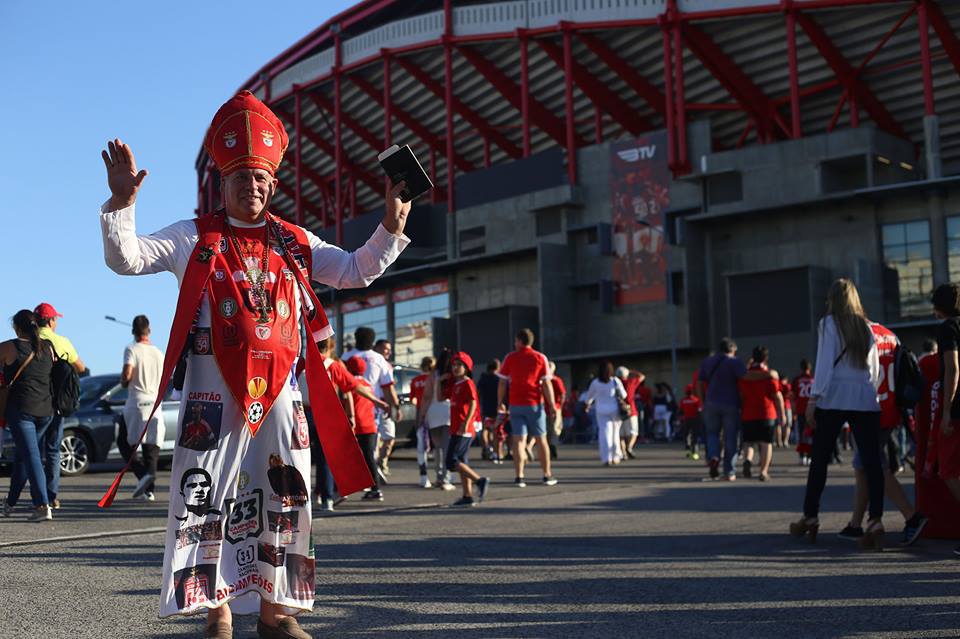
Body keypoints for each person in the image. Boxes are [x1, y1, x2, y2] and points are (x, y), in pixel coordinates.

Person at [98, 91, 411, 638]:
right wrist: (123, 204)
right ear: (223, 183)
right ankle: (216, 610)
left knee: (284, 496)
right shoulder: (194, 235)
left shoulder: (294, 241)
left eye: (261, 178)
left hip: (281, 396)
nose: (253, 186)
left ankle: (275, 611)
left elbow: (357, 269)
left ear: (273, 183)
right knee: (206, 497)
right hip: (210, 395)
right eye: (241, 176)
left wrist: (390, 224)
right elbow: (126, 259)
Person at [791, 278, 885, 551]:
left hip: (834, 396)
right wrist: (871, 392)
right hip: (865, 396)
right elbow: (875, 369)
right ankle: (876, 520)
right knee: (872, 462)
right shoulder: (867, 327)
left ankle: (811, 515)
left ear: (832, 298)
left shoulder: (828, 324)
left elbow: (824, 365)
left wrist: (813, 398)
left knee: (819, 459)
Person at [838, 321, 929, 546]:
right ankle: (856, 524)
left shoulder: (858, 335)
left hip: (869, 408)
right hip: (890, 407)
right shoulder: (889, 334)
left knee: (875, 467)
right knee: (863, 466)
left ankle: (912, 517)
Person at [0, 310, 56, 522]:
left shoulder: (9, 347)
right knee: (24, 456)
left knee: (31, 457)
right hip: (46, 411)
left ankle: (42, 505)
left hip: (22, 411)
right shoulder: (47, 346)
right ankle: (11, 503)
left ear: (16, 327)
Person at [33, 302, 86, 510]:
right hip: (57, 404)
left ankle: (38, 498)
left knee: (33, 451)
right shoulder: (61, 341)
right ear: (52, 321)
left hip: (35, 402)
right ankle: (52, 496)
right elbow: (80, 367)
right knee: (53, 450)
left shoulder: (31, 340)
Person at [497, 329, 559, 487]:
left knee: (518, 441)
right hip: (534, 404)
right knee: (541, 440)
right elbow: (546, 383)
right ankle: (546, 475)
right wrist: (552, 405)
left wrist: (500, 402)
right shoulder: (540, 357)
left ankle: (519, 476)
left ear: (519, 340)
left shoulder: (510, 358)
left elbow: (503, 382)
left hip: (515, 404)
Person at [341, 328, 399, 485]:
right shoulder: (379, 359)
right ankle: (372, 472)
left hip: (350, 405)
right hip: (372, 406)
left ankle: (362, 476)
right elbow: (388, 386)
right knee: (370, 444)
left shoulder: (346, 357)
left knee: (352, 445)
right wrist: (394, 406)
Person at [120, 315, 165, 501]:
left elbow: (127, 373)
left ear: (133, 331)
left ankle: (142, 474)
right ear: (149, 330)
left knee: (126, 442)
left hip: (136, 402)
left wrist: (124, 382)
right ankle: (149, 489)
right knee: (151, 446)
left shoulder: (131, 349)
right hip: (154, 401)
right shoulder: (158, 352)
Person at [931, 283, 960, 557]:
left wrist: (947, 411)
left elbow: (952, 367)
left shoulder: (948, 329)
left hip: (959, 407)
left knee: (949, 470)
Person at [698, 338, 747, 481]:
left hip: (711, 402)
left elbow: (700, 382)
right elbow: (746, 378)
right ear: (732, 349)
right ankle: (729, 471)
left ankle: (713, 456)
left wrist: (702, 401)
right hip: (731, 403)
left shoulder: (707, 362)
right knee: (730, 437)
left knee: (712, 434)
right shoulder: (735, 362)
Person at [446, 351, 490, 506]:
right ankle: (467, 495)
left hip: (463, 428)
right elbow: (439, 397)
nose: (456, 368)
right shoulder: (455, 384)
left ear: (467, 368)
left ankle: (479, 480)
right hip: (455, 428)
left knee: (451, 461)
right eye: (454, 365)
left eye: (460, 365)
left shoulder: (467, 383)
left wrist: (466, 422)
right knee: (462, 461)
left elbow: (473, 403)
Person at [344, 357, 390, 502]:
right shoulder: (367, 385)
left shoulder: (351, 384)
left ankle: (342, 488)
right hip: (370, 425)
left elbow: (348, 403)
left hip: (356, 425)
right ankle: (375, 488)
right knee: (369, 457)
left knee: (348, 457)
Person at [738, 346, 784, 482]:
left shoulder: (744, 376)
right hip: (767, 413)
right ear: (766, 358)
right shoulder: (770, 375)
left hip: (749, 413)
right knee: (766, 443)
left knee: (749, 442)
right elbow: (777, 396)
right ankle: (763, 471)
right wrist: (782, 415)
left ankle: (748, 459)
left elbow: (740, 394)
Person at [420, 349, 455, 490]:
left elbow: (426, 397)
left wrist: (422, 415)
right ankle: (446, 478)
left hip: (433, 412)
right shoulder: (453, 375)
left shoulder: (433, 376)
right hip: (448, 412)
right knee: (447, 448)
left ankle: (439, 477)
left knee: (438, 448)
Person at [582, 361, 628, 465]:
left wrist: (588, 404)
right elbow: (624, 395)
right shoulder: (615, 381)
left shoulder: (595, 383)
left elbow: (589, 396)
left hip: (601, 410)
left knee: (604, 434)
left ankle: (606, 458)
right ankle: (616, 456)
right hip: (615, 410)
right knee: (615, 433)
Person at [372, 339, 398, 479]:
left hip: (384, 406)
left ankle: (381, 462)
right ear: (376, 347)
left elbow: (389, 387)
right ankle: (375, 468)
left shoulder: (386, 365)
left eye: (390, 349)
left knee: (390, 437)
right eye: (385, 348)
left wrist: (395, 407)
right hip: (372, 406)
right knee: (375, 440)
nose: (388, 351)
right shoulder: (369, 360)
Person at [410, 357, 435, 485]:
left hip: (421, 413)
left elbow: (413, 399)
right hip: (436, 413)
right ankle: (444, 475)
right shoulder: (435, 379)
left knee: (421, 446)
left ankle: (424, 476)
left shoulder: (415, 380)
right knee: (439, 446)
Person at [477, 358, 502, 463]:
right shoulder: (499, 378)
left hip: (485, 406)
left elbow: (478, 392)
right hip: (496, 407)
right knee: (496, 430)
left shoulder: (483, 378)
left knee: (485, 429)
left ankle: (486, 448)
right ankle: (497, 452)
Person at [616, 367, 643, 459]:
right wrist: (631, 371)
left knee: (621, 435)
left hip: (618, 411)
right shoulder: (631, 382)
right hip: (631, 410)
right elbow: (642, 376)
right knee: (633, 432)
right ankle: (629, 447)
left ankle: (623, 453)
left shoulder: (615, 383)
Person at [793, 359, 815, 465]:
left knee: (802, 434)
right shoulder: (813, 379)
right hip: (811, 409)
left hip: (801, 410)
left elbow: (793, 396)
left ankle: (802, 456)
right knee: (811, 434)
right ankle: (810, 456)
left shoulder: (797, 379)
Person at [679, 384, 703, 460]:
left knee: (687, 434)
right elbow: (699, 411)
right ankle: (694, 452)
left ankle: (689, 448)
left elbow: (680, 410)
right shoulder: (696, 400)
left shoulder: (683, 400)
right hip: (695, 420)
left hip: (686, 419)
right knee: (694, 437)